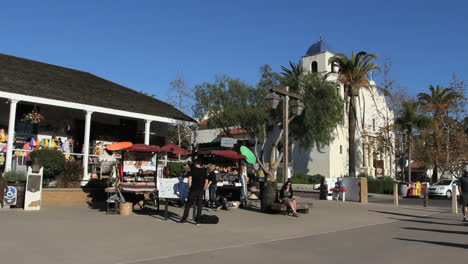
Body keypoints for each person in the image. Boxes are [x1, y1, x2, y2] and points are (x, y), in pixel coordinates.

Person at [180, 160, 209, 224]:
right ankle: (198, 220)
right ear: (200, 164)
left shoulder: (192, 170)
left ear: (195, 164)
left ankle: (184, 219)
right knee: (199, 206)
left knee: (188, 204)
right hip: (200, 190)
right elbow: (206, 181)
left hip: (193, 189)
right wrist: (203, 188)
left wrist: (190, 186)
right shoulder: (204, 171)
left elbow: (189, 179)